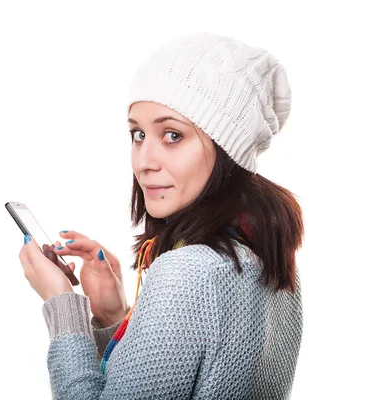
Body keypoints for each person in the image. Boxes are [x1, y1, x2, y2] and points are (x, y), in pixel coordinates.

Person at [18, 32, 304, 399]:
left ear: (227, 149)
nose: (143, 162)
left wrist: (62, 305)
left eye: (172, 135)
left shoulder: (189, 272)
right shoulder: (272, 260)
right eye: (138, 134)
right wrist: (114, 318)